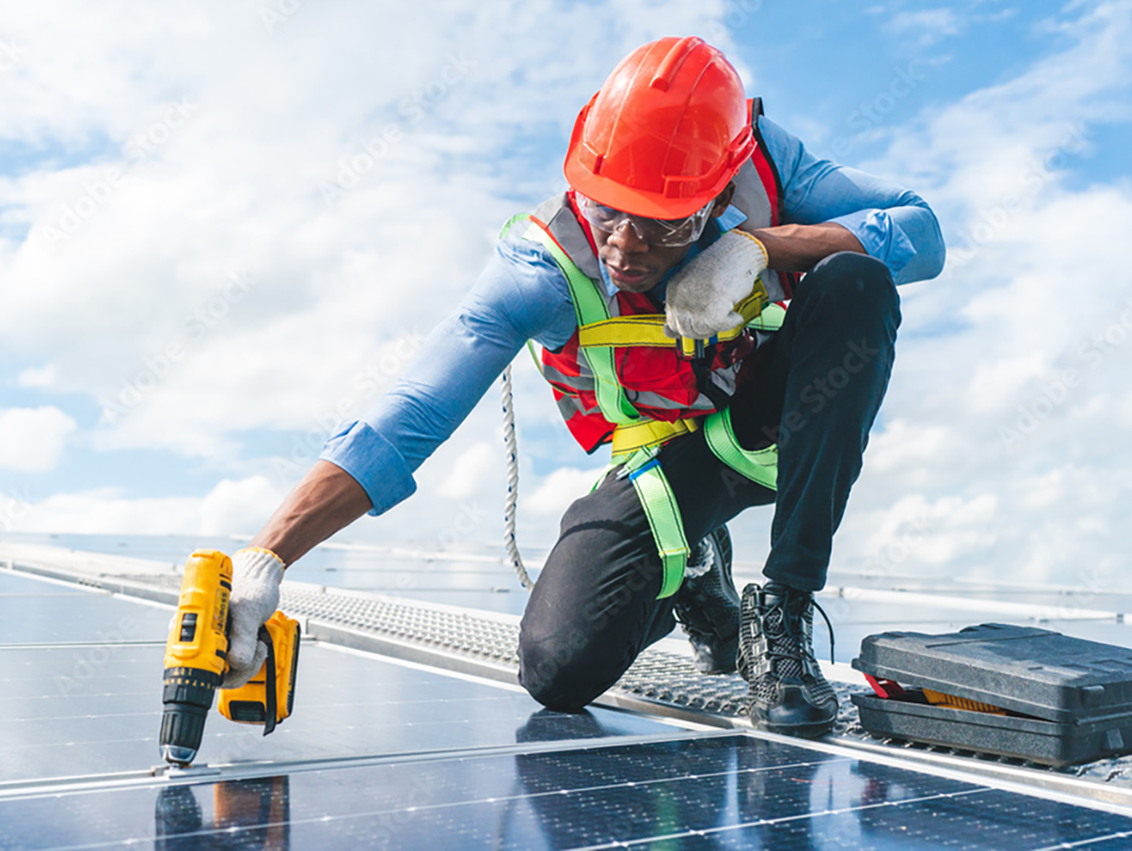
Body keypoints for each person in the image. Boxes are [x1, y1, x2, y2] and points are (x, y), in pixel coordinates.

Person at [218, 36, 944, 739]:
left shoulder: (766, 171)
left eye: (661, 225)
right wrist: (267, 557)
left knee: (855, 283)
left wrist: (761, 247)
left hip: (778, 424)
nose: (624, 245)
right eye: (607, 209)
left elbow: (923, 229)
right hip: (673, 468)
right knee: (559, 668)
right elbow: (413, 409)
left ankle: (782, 615)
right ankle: (693, 567)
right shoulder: (541, 269)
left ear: (718, 191)